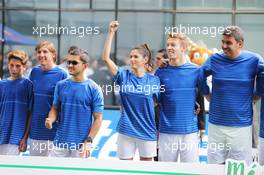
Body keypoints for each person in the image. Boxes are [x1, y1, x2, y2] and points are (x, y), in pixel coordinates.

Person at [200, 26, 264, 164]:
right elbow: (200, 75)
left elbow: (263, 74)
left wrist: (257, 94)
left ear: (240, 44)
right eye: (222, 42)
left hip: (241, 126)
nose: (224, 46)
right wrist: (206, 94)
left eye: (228, 43)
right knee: (214, 167)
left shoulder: (254, 60)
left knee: (239, 168)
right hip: (216, 124)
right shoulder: (215, 59)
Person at [103, 21, 160, 161]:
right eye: (131, 56)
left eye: (136, 56)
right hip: (126, 131)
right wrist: (111, 32)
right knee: (124, 169)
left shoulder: (154, 81)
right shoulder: (123, 75)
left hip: (147, 131)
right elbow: (105, 58)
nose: (132, 59)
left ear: (145, 59)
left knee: (146, 171)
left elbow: (158, 105)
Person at [45, 47, 104, 158]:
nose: (70, 65)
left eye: (74, 62)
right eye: (69, 62)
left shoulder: (94, 88)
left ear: (85, 66)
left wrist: (89, 141)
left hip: (81, 146)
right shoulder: (61, 85)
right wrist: (51, 119)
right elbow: (55, 108)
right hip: (60, 143)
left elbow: (98, 118)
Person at [155, 32, 202, 163]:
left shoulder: (195, 70)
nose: (169, 47)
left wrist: (201, 120)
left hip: (189, 133)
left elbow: (202, 97)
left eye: (173, 45)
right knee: (165, 171)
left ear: (183, 48)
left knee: (192, 172)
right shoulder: (160, 72)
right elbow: (155, 100)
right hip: (166, 132)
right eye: (168, 45)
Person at [29, 41, 68, 156]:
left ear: (53, 55)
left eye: (45, 51)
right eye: (39, 52)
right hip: (35, 132)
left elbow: (62, 105)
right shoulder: (34, 72)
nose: (41, 55)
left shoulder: (62, 75)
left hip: (53, 133)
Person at [0, 50, 33, 155]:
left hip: (17, 139)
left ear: (24, 67)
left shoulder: (28, 85)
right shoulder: (2, 84)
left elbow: (30, 114)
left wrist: (25, 138)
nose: (14, 69)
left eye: (18, 66)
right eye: (11, 65)